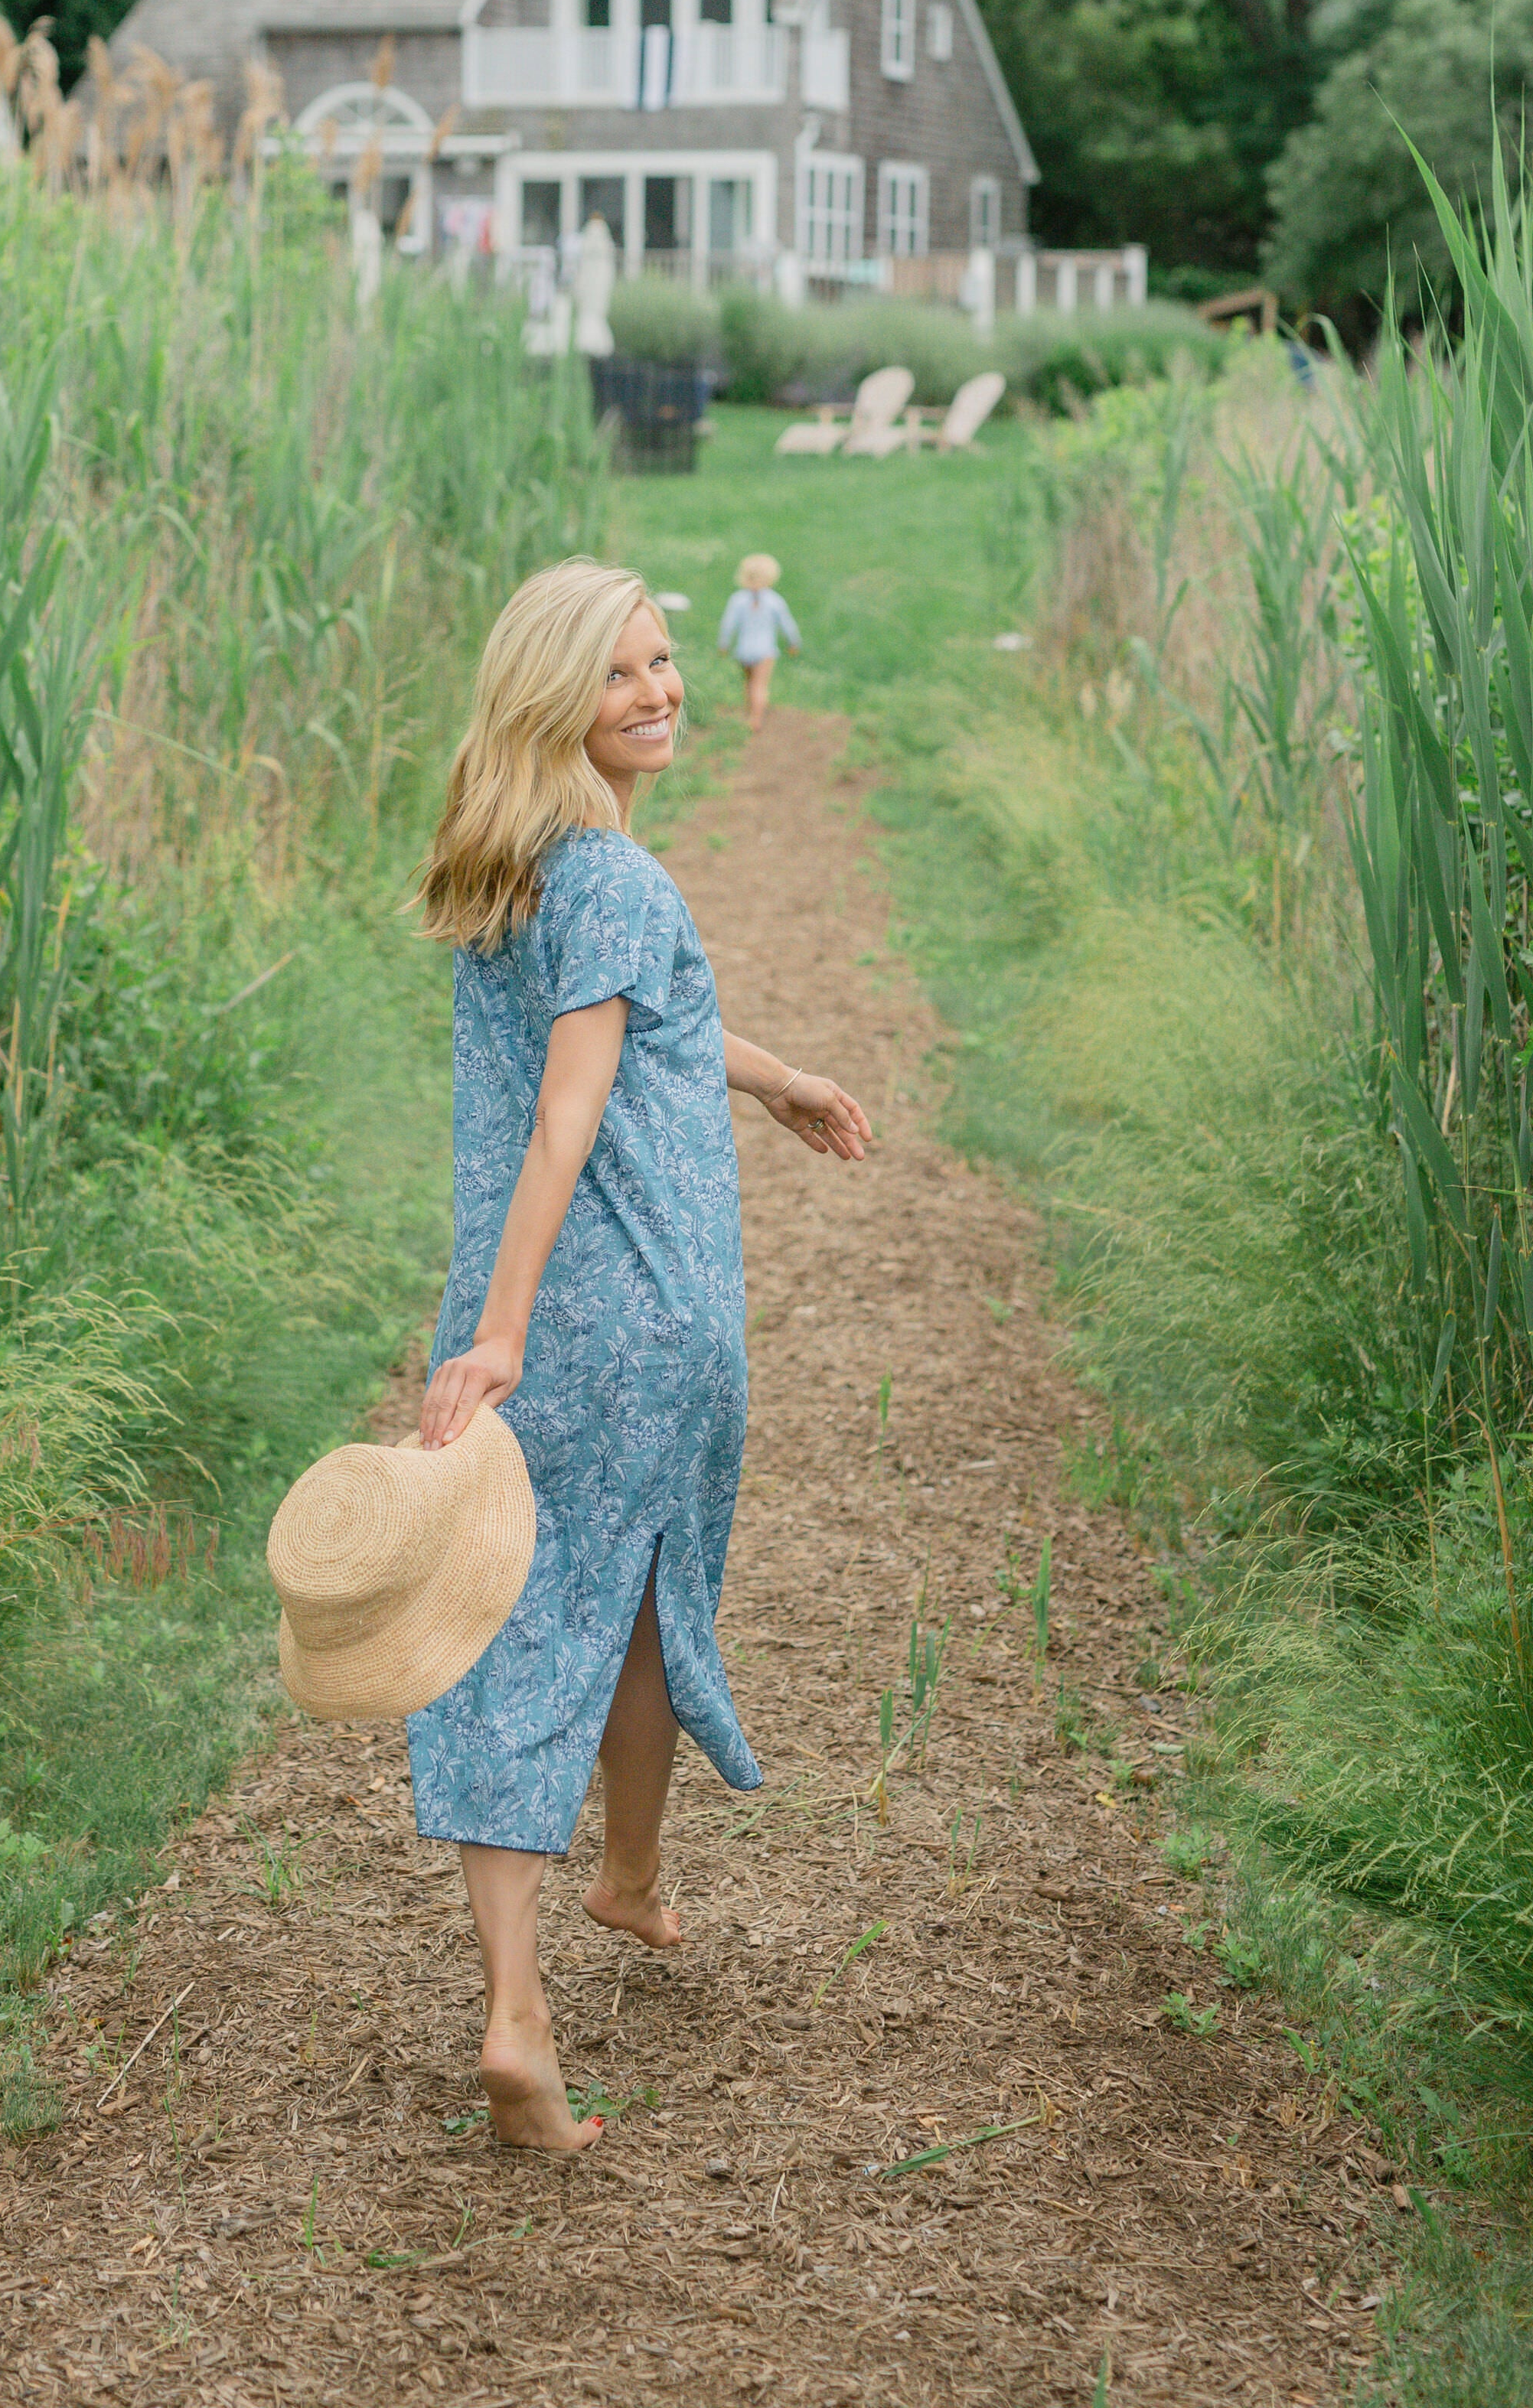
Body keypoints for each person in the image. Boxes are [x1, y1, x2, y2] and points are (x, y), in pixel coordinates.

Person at [410, 559, 870, 2152]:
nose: (660, 690)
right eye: (619, 673)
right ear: (555, 698)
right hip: (640, 1317)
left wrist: (775, 1076)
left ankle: (534, 1985)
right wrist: (506, 1335)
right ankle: (615, 1888)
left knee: (509, 1622)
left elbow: (630, 1022)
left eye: (665, 660)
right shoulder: (609, 872)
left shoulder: (514, 863)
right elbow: (573, 1105)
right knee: (646, 1596)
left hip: (530, 1309)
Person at [716, 552, 801, 733]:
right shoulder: (775, 600)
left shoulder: (738, 599)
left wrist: (724, 645)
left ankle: (749, 711)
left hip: (744, 650)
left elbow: (728, 625)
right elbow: (787, 623)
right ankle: (756, 718)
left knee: (749, 683)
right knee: (760, 685)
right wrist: (793, 642)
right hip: (765, 651)